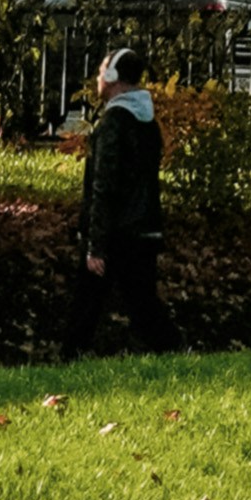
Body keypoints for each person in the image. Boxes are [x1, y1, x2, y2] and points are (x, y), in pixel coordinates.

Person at [63, 39, 163, 354]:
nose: (97, 78)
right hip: (144, 228)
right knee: (144, 302)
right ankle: (172, 350)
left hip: (115, 233)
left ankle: (70, 359)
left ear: (112, 77)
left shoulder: (113, 124)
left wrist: (95, 244)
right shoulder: (149, 123)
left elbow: (104, 186)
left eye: (101, 71)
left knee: (87, 303)